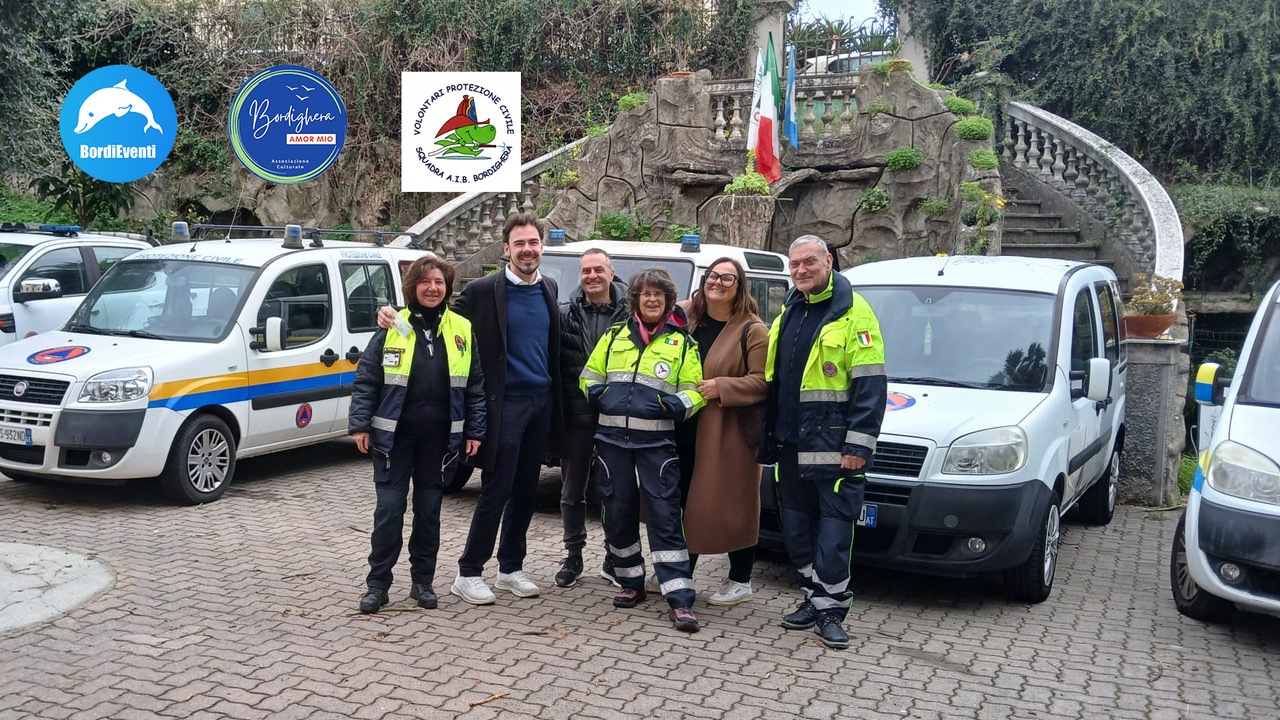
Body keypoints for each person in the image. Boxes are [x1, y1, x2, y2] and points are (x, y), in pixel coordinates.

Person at [376, 212, 563, 605]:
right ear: (506, 248)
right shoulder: (483, 290)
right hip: (505, 404)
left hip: (541, 402)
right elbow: (437, 320)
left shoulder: (549, 287)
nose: (527, 250)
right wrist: (393, 316)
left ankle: (510, 568)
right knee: (497, 489)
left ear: (542, 246)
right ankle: (469, 572)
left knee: (526, 490)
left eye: (533, 243)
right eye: (519, 244)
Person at [758, 235, 887, 650]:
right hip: (790, 446)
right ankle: (813, 599)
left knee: (833, 535)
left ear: (828, 261)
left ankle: (832, 611)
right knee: (797, 531)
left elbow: (870, 386)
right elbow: (777, 381)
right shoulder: (790, 310)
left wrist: (858, 447)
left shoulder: (854, 314)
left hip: (835, 449)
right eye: (794, 264)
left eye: (809, 262)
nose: (800, 270)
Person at [350, 255, 486, 614]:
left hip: (439, 443)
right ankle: (377, 585)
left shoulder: (462, 328)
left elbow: (475, 385)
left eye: (439, 282)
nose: (432, 288)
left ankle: (422, 583)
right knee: (389, 512)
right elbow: (367, 379)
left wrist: (475, 430)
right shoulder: (393, 325)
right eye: (425, 281)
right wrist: (360, 424)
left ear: (447, 288)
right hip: (393, 441)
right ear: (413, 287)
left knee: (428, 514)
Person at [581, 268, 706, 632]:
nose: (652, 299)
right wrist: (600, 396)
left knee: (664, 517)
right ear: (634, 300)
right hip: (611, 443)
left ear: (668, 301)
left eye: (658, 294)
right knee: (617, 513)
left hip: (656, 446)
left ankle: (680, 598)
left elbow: (695, 391)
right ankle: (630, 581)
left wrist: (671, 405)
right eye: (645, 294)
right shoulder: (614, 336)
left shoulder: (682, 343)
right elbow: (589, 376)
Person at [676, 257, 768, 606]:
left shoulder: (752, 329)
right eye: (713, 276)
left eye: (727, 278)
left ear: (740, 286)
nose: (717, 283)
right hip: (686, 427)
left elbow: (763, 381)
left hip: (729, 433)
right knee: (687, 499)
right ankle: (681, 572)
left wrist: (722, 386)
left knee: (736, 503)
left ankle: (740, 580)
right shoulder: (686, 316)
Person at [555, 248, 630, 588]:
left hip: (618, 416)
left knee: (615, 492)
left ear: (611, 273)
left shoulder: (631, 313)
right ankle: (573, 556)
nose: (592, 276)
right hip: (576, 416)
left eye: (599, 269)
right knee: (571, 492)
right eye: (586, 271)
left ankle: (614, 556)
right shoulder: (564, 314)